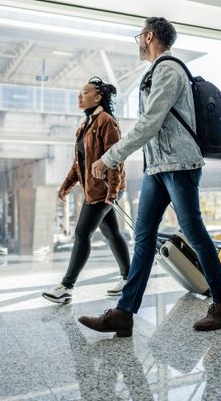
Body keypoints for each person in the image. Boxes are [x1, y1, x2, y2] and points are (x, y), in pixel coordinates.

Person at [78, 17, 221, 336]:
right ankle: (124, 313)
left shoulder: (168, 70)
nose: (138, 41)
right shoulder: (156, 72)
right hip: (158, 168)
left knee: (193, 231)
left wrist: (109, 158)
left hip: (178, 166)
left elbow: (149, 123)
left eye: (140, 36)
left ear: (149, 37)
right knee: (144, 237)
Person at [42, 78, 131, 304]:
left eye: (84, 93)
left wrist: (112, 192)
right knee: (112, 233)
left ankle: (66, 287)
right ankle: (129, 278)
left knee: (82, 234)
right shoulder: (85, 125)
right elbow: (78, 163)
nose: (78, 97)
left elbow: (114, 158)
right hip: (94, 190)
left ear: (98, 96)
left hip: (104, 190)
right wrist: (65, 186)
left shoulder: (106, 121)